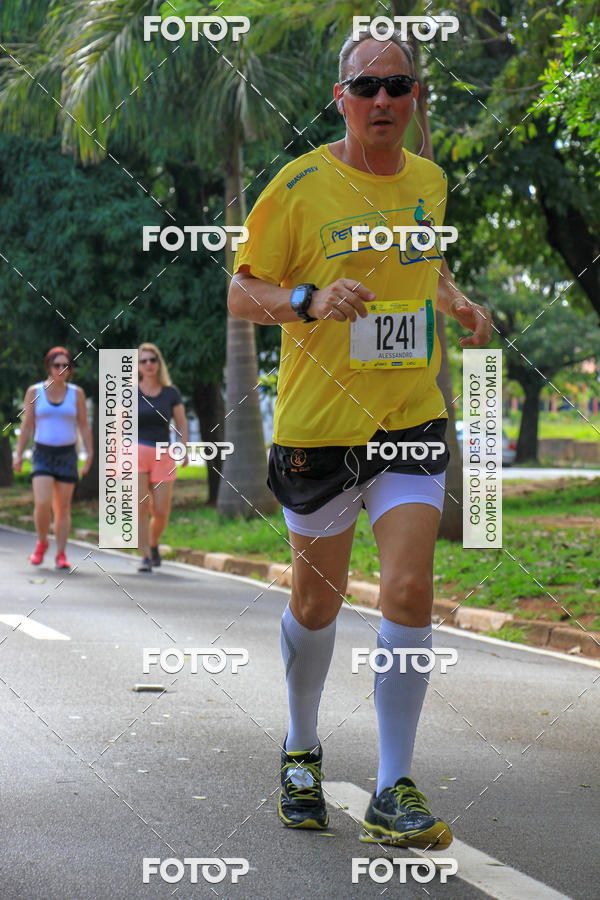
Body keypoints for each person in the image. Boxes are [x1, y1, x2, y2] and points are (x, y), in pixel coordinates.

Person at [228, 29, 493, 848]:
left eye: (399, 86)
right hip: (318, 431)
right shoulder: (300, 184)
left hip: (410, 417)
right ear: (341, 96)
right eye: (367, 88)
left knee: (410, 590)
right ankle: (302, 745)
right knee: (318, 603)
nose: (384, 101)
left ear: (414, 98)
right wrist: (307, 299)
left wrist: (456, 304)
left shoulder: (431, 181)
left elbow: (423, 265)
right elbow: (242, 294)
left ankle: (392, 786)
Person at [13, 347, 93, 569]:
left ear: (70, 370)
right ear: (49, 367)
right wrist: (18, 454)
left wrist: (89, 454)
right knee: (42, 503)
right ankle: (41, 542)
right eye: (57, 365)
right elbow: (27, 426)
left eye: (65, 366)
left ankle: (61, 553)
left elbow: (84, 426)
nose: (61, 369)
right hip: (42, 453)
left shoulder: (76, 393)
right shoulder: (34, 391)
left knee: (63, 507)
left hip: (67, 454)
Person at [136, 342, 189, 572]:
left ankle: (154, 542)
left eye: (152, 360)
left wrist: (184, 448)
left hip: (163, 454)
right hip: (135, 452)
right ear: (138, 365)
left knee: (161, 511)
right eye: (144, 360)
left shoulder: (170, 392)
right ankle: (146, 556)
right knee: (140, 507)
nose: (149, 364)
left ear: (158, 363)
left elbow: (182, 423)